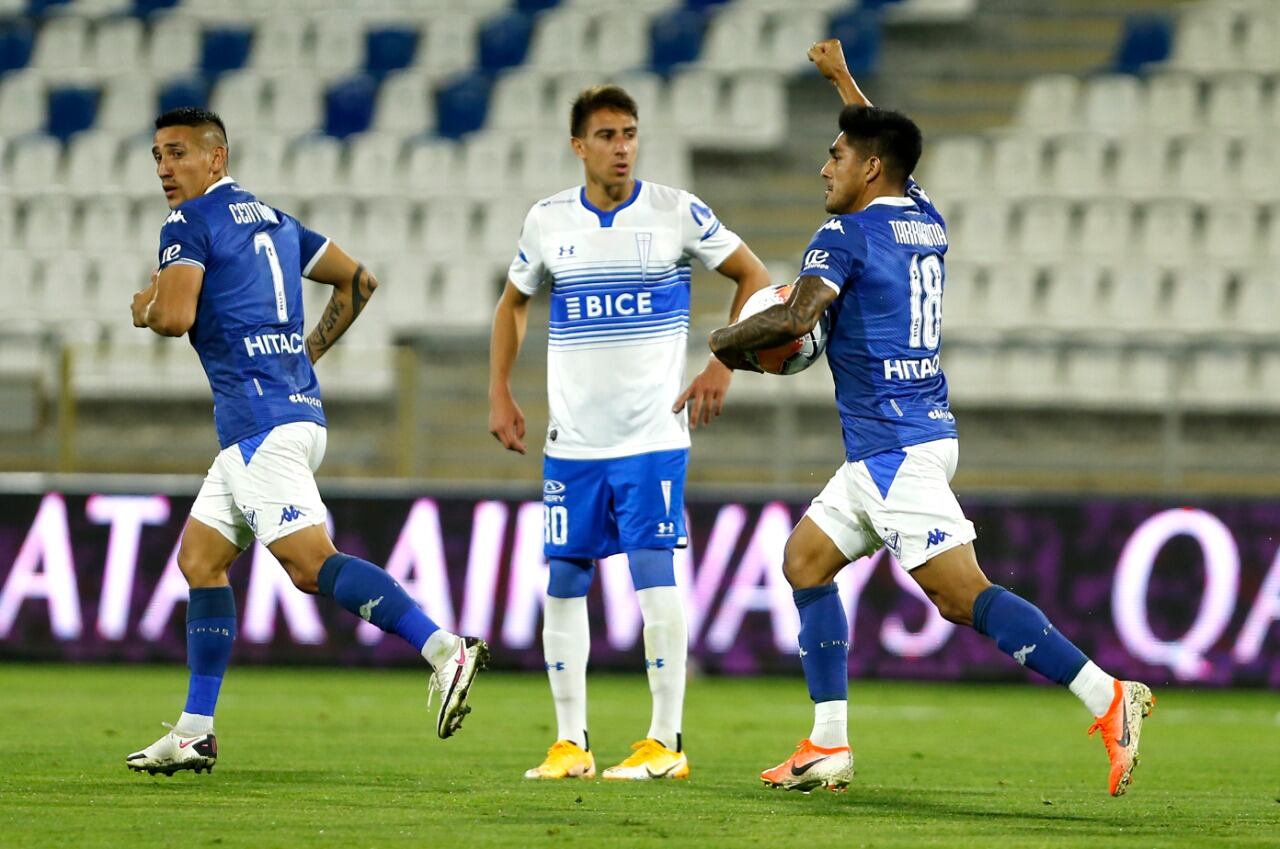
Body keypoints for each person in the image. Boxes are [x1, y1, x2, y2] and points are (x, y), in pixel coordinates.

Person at [708, 41, 1154, 797]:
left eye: (836, 156)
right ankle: (827, 743)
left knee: (960, 596)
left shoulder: (843, 236)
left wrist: (722, 345)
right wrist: (843, 82)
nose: (824, 168)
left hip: (893, 448)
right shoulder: (923, 216)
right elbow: (886, 141)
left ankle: (1107, 694)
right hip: (916, 433)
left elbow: (798, 316)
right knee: (805, 561)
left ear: (869, 169)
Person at [125, 107, 488, 776]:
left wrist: (144, 306)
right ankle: (195, 730)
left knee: (310, 566)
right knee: (200, 559)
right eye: (157, 156)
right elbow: (359, 281)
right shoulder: (277, 222)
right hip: (290, 415)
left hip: (258, 426)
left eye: (178, 153)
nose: (165, 169)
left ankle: (443, 647)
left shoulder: (188, 223)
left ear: (216, 157)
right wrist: (307, 353)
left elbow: (173, 316)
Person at [489, 85, 771, 780]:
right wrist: (499, 389)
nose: (622, 147)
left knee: (652, 571)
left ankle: (664, 742)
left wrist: (723, 362)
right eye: (608, 135)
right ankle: (569, 744)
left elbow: (753, 275)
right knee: (564, 577)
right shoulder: (548, 220)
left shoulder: (676, 211)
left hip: (652, 436)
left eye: (630, 134)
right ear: (578, 146)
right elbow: (513, 302)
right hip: (574, 440)